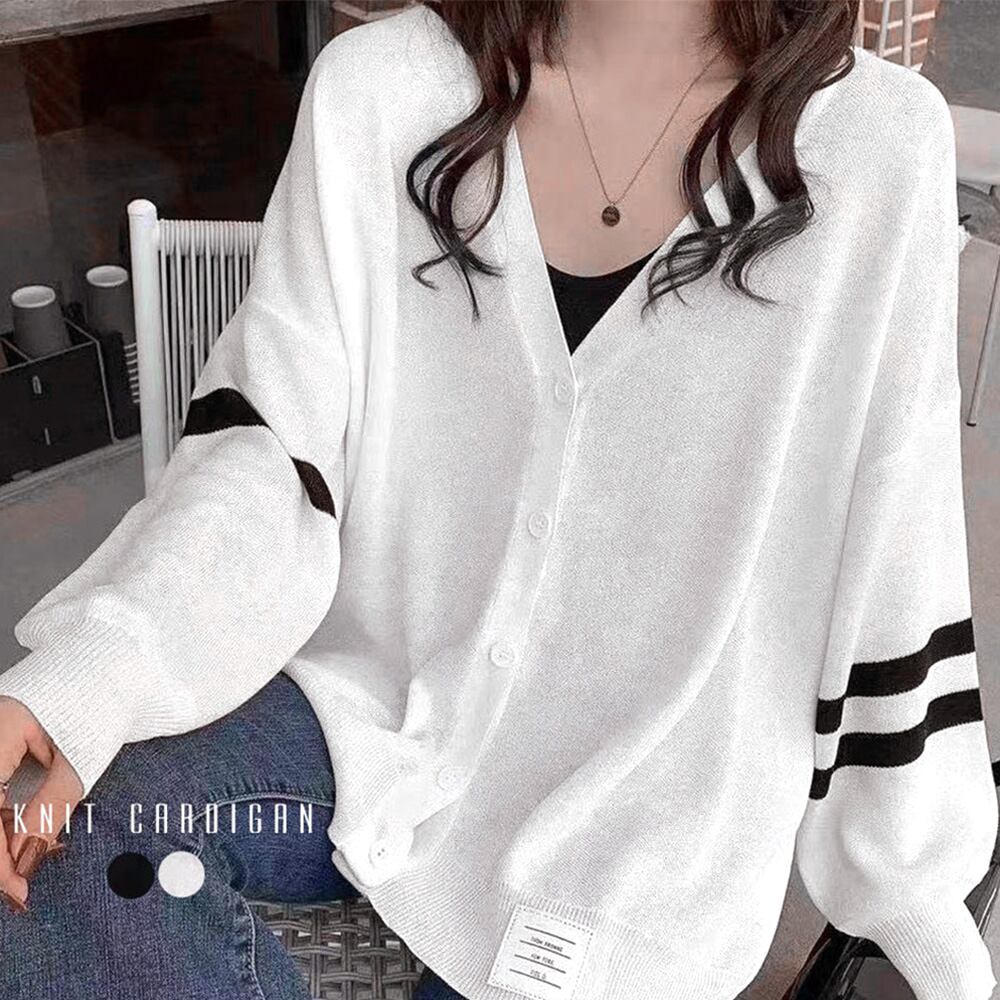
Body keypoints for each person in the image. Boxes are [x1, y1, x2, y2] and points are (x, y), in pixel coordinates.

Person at [1, 2, 996, 999]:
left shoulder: (872, 147)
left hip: (644, 828)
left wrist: (915, 895)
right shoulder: (383, 92)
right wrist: (95, 673)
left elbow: (896, 540)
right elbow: (264, 453)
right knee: (46, 842)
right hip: (366, 722)